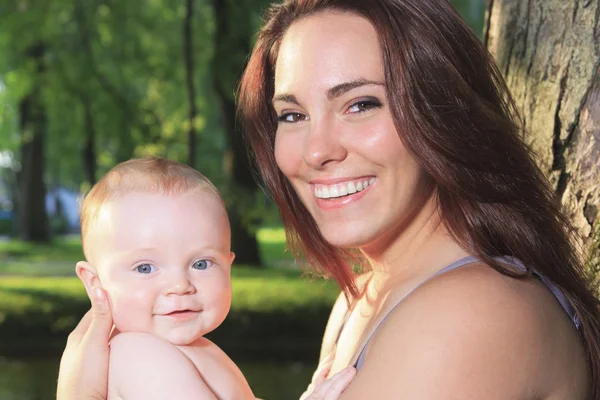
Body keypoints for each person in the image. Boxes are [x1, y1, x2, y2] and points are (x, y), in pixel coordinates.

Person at [58, 0, 600, 399]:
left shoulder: (473, 313)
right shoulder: (357, 301)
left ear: (445, 112)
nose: (316, 150)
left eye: (361, 104)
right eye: (293, 115)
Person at [74, 157, 257, 399]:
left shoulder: (199, 350)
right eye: (145, 268)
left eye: (201, 264)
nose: (180, 286)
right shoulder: (139, 355)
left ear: (227, 267)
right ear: (95, 283)